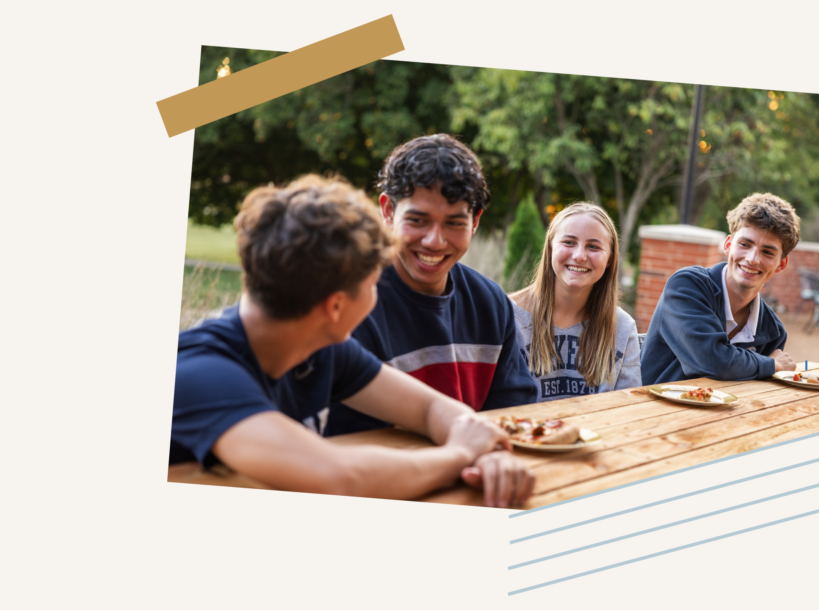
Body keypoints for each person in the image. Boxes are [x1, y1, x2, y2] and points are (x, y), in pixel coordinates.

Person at [171, 175, 534, 508]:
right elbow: (339, 477)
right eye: (373, 283)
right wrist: (458, 454)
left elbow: (430, 410)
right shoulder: (202, 373)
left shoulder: (321, 348)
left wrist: (486, 454)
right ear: (336, 305)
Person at [324, 135, 538, 436]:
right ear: (387, 212)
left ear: (475, 220)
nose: (434, 241)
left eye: (454, 223)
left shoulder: (491, 303)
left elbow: (515, 416)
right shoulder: (347, 305)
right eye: (418, 220)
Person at [640, 193, 800, 385]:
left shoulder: (773, 331)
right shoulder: (686, 286)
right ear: (728, 245)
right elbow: (711, 361)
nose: (752, 258)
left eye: (767, 252)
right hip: (650, 411)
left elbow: (756, 392)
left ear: (781, 264)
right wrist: (771, 364)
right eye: (744, 244)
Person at [508, 203, 641, 401]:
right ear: (551, 246)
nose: (579, 256)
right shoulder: (507, 315)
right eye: (569, 242)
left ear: (610, 258)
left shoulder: (622, 327)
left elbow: (627, 411)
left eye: (593, 246)